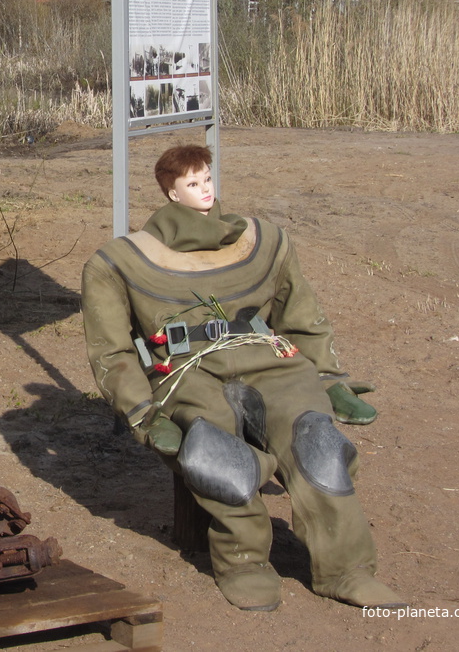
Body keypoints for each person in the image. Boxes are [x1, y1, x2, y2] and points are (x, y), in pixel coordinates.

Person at [81, 144, 403, 613]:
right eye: (193, 182)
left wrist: (331, 377)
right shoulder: (119, 261)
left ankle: (347, 568)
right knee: (218, 453)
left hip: (268, 358)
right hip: (187, 371)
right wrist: (141, 412)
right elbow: (111, 352)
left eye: (207, 178)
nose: (205, 188)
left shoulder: (265, 241)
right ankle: (244, 560)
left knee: (316, 441)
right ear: (170, 192)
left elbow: (302, 317)